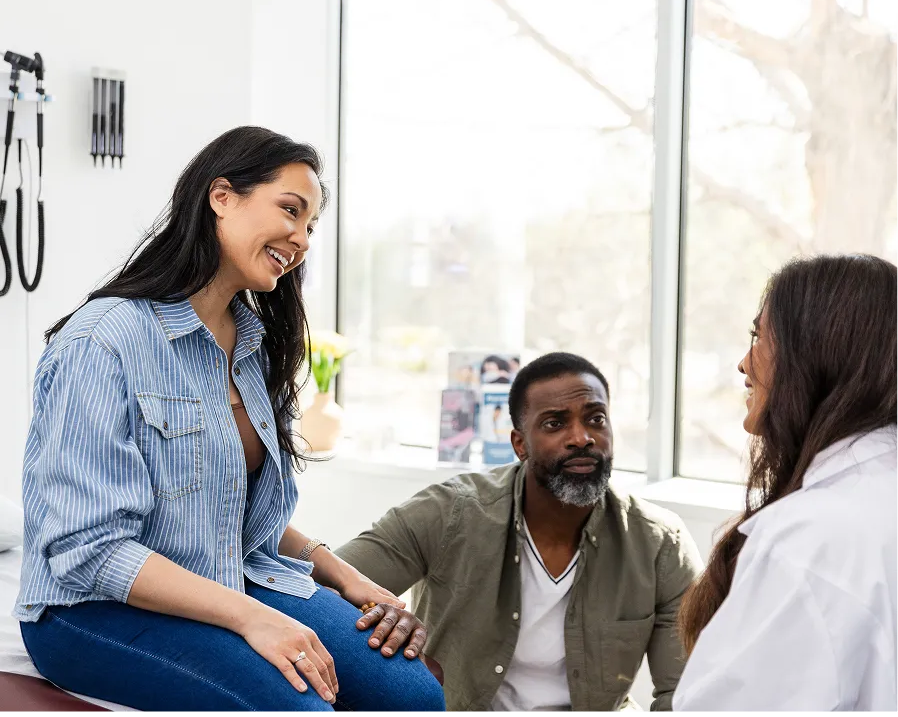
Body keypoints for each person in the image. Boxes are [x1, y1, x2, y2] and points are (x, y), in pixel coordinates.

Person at [14, 127, 445, 714]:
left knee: (412, 698)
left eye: (311, 226)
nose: (301, 239)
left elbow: (234, 512)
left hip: (232, 575)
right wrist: (253, 619)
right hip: (90, 610)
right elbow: (86, 549)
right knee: (300, 710)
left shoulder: (253, 344)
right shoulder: (103, 341)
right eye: (290, 211)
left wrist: (348, 579)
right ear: (222, 196)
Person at [336, 352, 702, 712]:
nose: (581, 438)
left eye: (596, 419)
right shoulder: (450, 513)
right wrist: (388, 631)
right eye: (555, 424)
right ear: (519, 444)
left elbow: (684, 692)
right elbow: (317, 588)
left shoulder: (660, 545)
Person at [674, 254, 898, 713]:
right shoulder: (874, 495)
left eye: (758, 336)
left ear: (813, 353)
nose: (743, 362)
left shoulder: (810, 539)